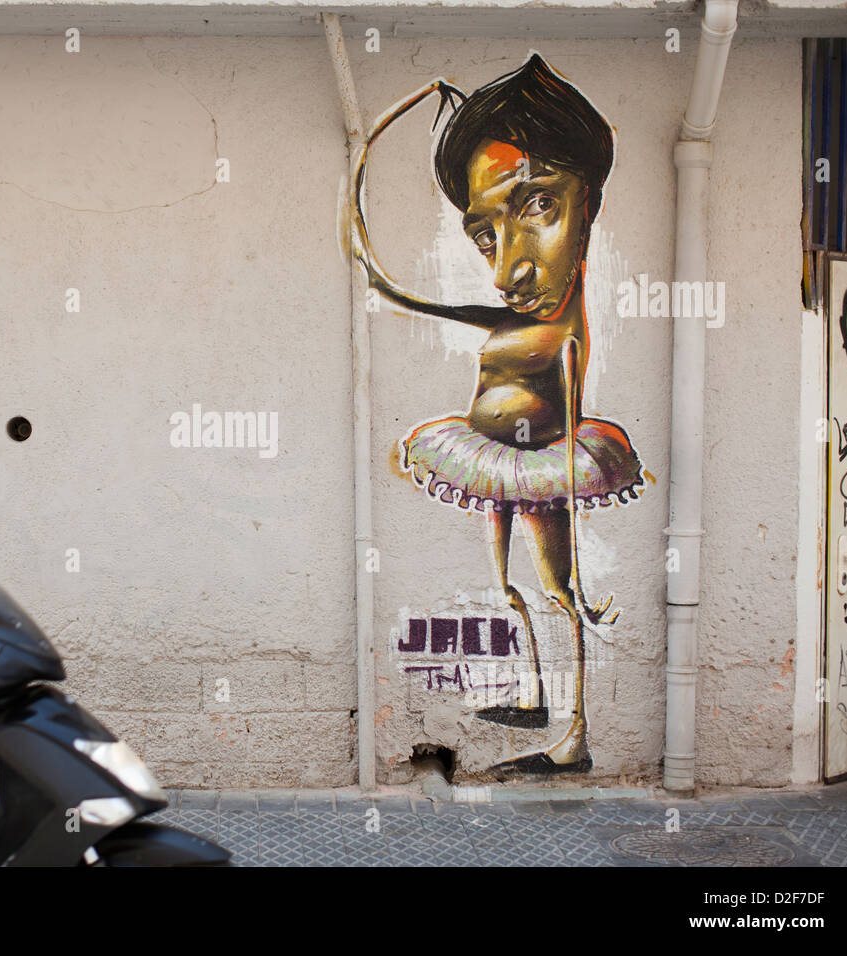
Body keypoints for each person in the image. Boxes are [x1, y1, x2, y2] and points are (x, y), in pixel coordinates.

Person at [347, 53, 645, 775]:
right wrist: (363, 243)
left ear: (589, 210)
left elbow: (571, 401)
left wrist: (570, 486)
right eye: (485, 235)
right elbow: (407, 291)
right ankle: (534, 697)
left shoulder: (562, 319)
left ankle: (573, 736)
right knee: (510, 586)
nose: (507, 267)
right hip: (492, 464)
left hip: (543, 468)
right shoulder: (508, 315)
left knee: (557, 590)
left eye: (539, 204)